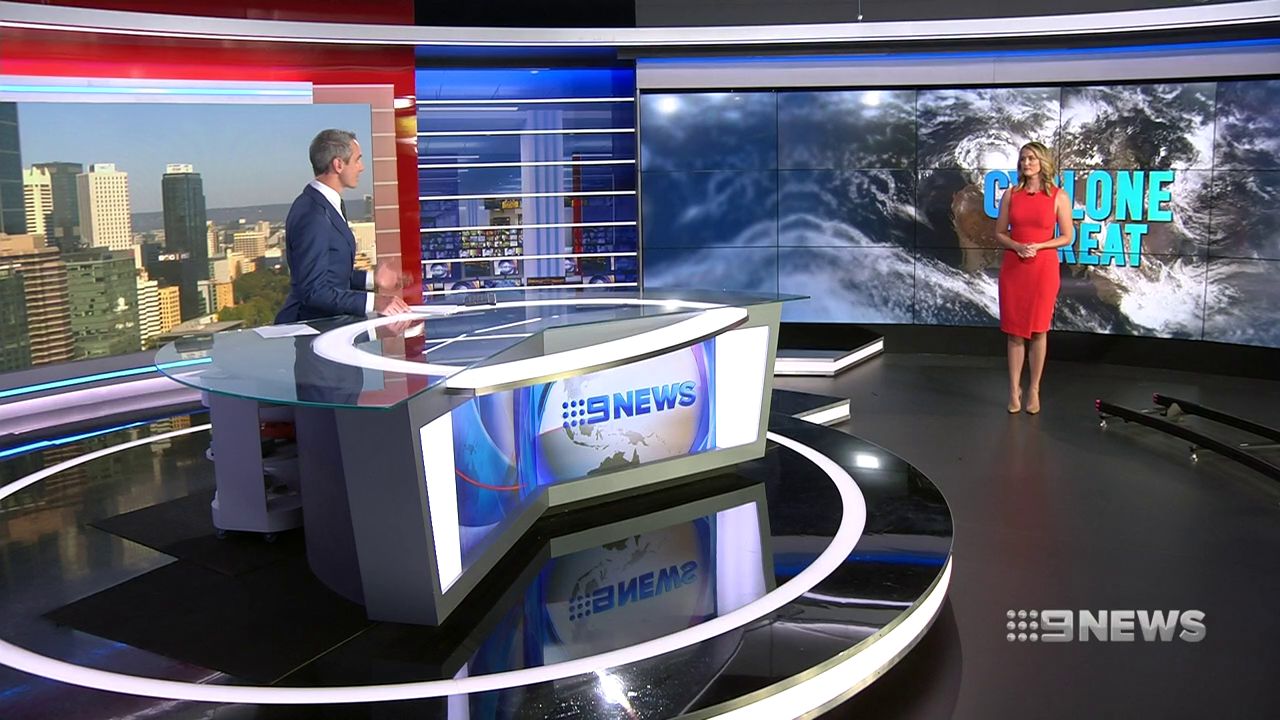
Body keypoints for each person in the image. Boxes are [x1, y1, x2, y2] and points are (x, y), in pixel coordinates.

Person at [276, 129, 410, 323]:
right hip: (309, 325)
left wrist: (372, 279)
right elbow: (314, 290)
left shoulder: (328, 205)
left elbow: (331, 274)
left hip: (326, 325)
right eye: (357, 160)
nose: (361, 167)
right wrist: (374, 302)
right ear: (338, 164)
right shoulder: (313, 213)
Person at [993, 141, 1074, 415]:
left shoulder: (1059, 196)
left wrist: (1039, 246)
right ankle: (1013, 389)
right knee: (1015, 331)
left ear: (1042, 162)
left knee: (1039, 330)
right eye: (1023, 159)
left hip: (1043, 268)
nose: (1026, 163)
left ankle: (1034, 389)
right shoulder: (1011, 194)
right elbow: (999, 232)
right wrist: (1017, 246)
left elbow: (1067, 236)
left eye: (1031, 158)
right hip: (1014, 268)